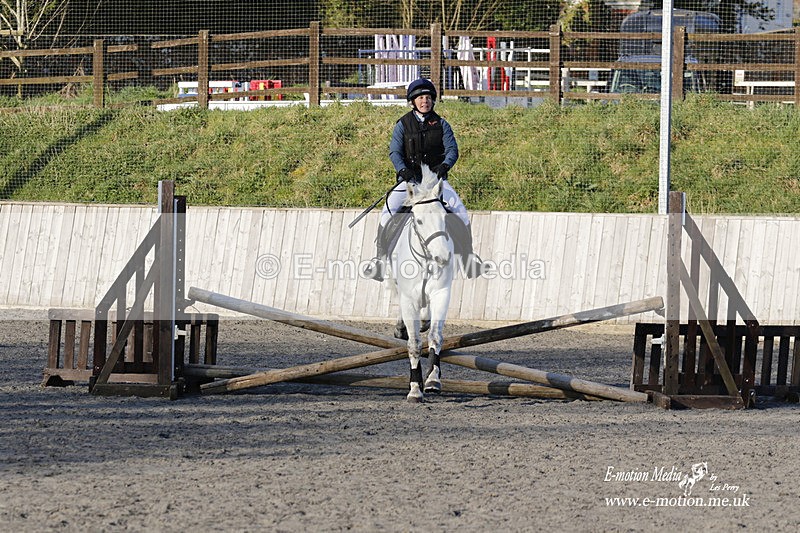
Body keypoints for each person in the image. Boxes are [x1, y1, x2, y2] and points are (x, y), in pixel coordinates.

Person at [363, 78, 481, 282]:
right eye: (420, 98)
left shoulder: (442, 124)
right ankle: (380, 262)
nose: (424, 101)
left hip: (435, 183)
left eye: (427, 97)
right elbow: (394, 152)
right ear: (413, 101)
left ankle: (469, 261)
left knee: (461, 212)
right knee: (387, 212)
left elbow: (452, 150)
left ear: (433, 100)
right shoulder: (402, 124)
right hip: (410, 183)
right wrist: (403, 171)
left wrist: (444, 167)